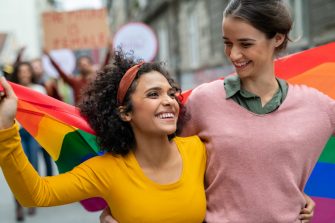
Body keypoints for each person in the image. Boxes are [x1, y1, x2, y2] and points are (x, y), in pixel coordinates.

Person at [97, 0, 330, 222]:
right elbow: (158, 162)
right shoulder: (204, 101)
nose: (234, 54)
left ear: (277, 38)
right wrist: (121, 208)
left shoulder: (317, 106)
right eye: (228, 43)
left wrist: (295, 194)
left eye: (245, 44)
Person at [0, 50, 207, 222]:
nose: (170, 101)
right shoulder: (106, 169)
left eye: (171, 93)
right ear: (125, 113)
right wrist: (5, 130)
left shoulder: (199, 149)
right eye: (154, 94)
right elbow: (35, 194)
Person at [44, 42, 113, 105]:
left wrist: (109, 52)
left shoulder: (97, 79)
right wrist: (49, 57)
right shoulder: (75, 81)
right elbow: (61, 73)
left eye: (85, 64)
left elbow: (104, 65)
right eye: (81, 65)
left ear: (91, 65)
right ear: (78, 68)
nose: (83, 66)